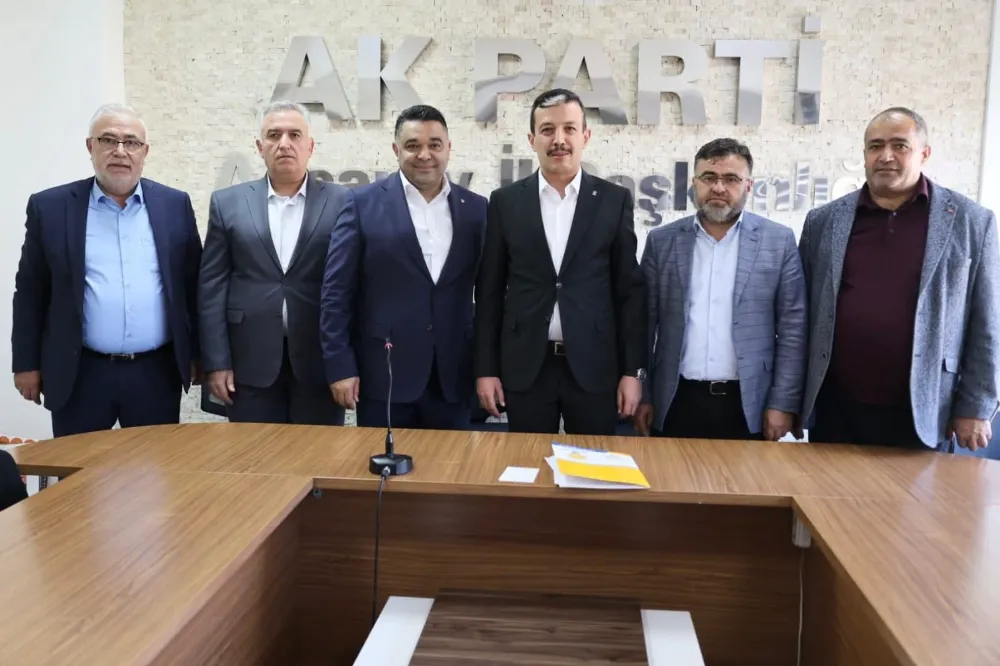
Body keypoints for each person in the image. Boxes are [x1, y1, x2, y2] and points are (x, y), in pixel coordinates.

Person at [800, 107, 1000, 452]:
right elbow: (800, 316)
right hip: (836, 409)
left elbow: (988, 323)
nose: (886, 156)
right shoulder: (823, 221)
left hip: (927, 410)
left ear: (924, 153)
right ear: (864, 154)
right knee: (827, 490)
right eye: (876, 146)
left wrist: (976, 406)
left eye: (900, 145)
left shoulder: (971, 221)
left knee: (920, 492)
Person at [11, 103, 202, 437]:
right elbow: (30, 292)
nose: (120, 151)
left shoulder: (174, 205)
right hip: (80, 371)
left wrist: (198, 354)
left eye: (131, 142)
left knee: (155, 466)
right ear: (90, 147)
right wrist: (26, 363)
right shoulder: (50, 208)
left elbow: (193, 285)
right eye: (108, 140)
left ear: (145, 152)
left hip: (155, 372)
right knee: (77, 467)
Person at [474, 88, 647, 435]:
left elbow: (629, 292)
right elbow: (489, 292)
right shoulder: (505, 202)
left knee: (595, 462)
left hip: (595, 366)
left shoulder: (613, 201)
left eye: (569, 129)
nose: (559, 140)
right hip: (526, 366)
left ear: (585, 136)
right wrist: (486, 369)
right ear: (532, 139)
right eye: (547, 130)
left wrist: (633, 371)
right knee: (527, 461)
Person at [321, 105, 487, 429]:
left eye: (434, 144)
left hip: (453, 378)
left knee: (452, 462)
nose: (424, 154)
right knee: (383, 463)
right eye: (413, 145)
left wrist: (486, 369)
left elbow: (489, 295)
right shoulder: (361, 204)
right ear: (397, 150)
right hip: (385, 376)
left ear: (448, 148)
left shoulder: (476, 209)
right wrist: (340, 366)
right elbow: (336, 293)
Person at [634, 138, 807, 440]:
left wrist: (783, 402)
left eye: (731, 179)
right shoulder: (662, 242)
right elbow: (643, 326)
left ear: (749, 185)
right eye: (709, 177)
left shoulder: (778, 242)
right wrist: (644, 393)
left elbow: (794, 329)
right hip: (675, 400)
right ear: (694, 183)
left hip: (749, 403)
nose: (718, 187)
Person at [199, 101, 349, 425]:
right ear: (259, 146)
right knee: (255, 454)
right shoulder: (227, 203)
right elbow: (212, 287)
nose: (284, 143)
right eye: (273, 135)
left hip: (319, 362)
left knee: (318, 452)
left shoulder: (342, 202)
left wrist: (346, 365)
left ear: (310, 146)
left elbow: (351, 285)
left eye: (295, 135)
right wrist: (216, 361)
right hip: (247, 362)